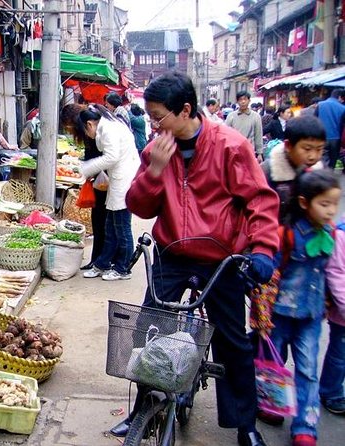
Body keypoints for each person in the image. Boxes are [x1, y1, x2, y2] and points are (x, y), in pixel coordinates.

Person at [119, 72, 280, 446]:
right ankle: (142, 407)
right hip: (173, 254)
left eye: (158, 117)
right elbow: (138, 204)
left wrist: (262, 249)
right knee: (148, 329)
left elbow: (260, 200)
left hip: (221, 258)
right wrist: (154, 172)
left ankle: (246, 425)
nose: (154, 125)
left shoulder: (230, 146)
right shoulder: (156, 150)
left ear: (186, 110)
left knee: (232, 341)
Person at [268, 170, 341, 446]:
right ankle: (272, 405)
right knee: (273, 363)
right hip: (279, 314)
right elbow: (271, 273)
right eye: (324, 204)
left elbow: (333, 273)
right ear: (303, 202)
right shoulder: (285, 235)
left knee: (308, 369)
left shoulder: (332, 233)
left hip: (311, 315)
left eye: (334, 203)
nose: (331, 210)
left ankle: (305, 427)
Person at [79, 104, 140, 281]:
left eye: (85, 130)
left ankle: (123, 269)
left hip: (124, 180)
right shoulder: (108, 126)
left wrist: (87, 168)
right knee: (110, 227)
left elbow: (111, 157)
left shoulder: (108, 130)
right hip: (118, 179)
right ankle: (102, 264)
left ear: (89, 124)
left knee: (121, 228)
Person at [60, 103, 106, 268]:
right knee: (98, 220)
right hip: (99, 179)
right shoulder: (89, 130)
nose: (69, 131)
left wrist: (88, 169)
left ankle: (102, 261)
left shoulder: (94, 130)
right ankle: (98, 259)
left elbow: (99, 156)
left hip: (104, 181)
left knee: (102, 221)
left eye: (69, 127)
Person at [261, 116, 325, 225]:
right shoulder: (267, 171)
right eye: (307, 149)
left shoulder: (319, 173)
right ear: (288, 145)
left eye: (319, 149)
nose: (313, 156)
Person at [320, 212, 345, 416]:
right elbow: (336, 273)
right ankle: (332, 392)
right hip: (342, 312)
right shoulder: (340, 236)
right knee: (339, 355)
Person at [226, 91, 264, 161]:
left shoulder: (256, 116)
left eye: (245, 99)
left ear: (249, 100)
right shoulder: (231, 116)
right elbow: (226, 135)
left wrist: (259, 153)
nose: (243, 102)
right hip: (234, 152)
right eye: (240, 99)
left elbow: (258, 135)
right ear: (237, 101)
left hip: (249, 152)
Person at [315, 88, 345, 168]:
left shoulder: (320, 104)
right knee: (332, 162)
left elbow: (314, 120)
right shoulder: (343, 108)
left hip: (321, 137)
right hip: (336, 139)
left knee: (321, 160)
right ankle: (328, 177)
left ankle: (321, 175)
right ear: (339, 97)